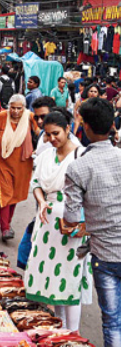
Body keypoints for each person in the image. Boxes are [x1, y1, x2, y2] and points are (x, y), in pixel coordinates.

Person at [24, 109, 92, 331]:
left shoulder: (82, 156)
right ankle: (59, 329)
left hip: (72, 225)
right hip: (46, 223)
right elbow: (35, 184)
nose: (52, 139)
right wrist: (42, 201)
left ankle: (73, 333)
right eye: (47, 135)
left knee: (69, 279)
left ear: (68, 129)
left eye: (56, 133)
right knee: (53, 280)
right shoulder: (45, 155)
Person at [63, 98, 121, 346]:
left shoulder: (78, 168)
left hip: (105, 254)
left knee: (112, 321)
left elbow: (72, 218)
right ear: (111, 126)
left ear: (85, 127)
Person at [0, 94, 39, 241]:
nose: (15, 111)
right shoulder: (2, 117)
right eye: (12, 108)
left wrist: (39, 149)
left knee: (14, 196)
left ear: (24, 108)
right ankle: (5, 228)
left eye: (19, 108)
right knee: (5, 195)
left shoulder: (30, 117)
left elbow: (41, 133)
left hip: (23, 164)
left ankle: (7, 224)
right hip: (3, 163)